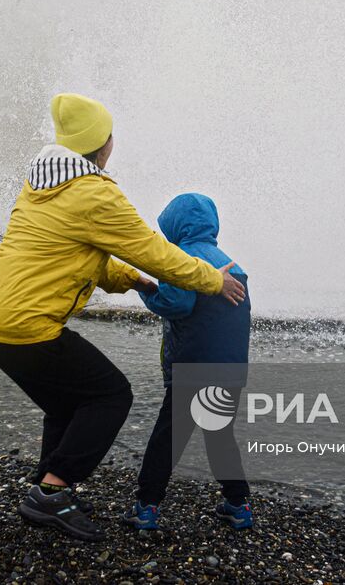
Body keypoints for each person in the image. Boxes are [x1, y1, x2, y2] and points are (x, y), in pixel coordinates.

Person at [0, 93, 247, 542]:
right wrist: (212, 280)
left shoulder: (42, 184)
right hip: (26, 325)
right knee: (111, 394)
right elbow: (157, 253)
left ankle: (50, 487)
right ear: (103, 142)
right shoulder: (94, 192)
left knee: (66, 403)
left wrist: (130, 281)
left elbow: (84, 254)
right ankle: (53, 493)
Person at [123, 193, 253, 532]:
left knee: (168, 438)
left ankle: (146, 506)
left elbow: (175, 303)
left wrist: (145, 288)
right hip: (230, 369)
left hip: (193, 368)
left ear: (176, 226)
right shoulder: (231, 263)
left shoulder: (182, 259)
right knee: (220, 436)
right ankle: (238, 505)